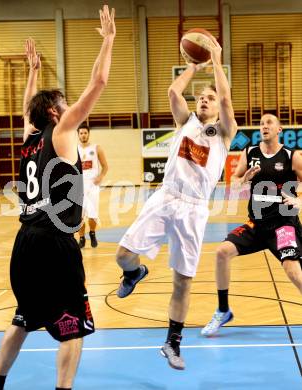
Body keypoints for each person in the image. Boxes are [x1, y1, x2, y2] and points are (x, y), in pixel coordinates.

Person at [0, 6, 115, 390]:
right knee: (73, 326)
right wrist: (108, 40)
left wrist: (33, 73)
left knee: (23, 319)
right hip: (55, 242)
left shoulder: (30, 139)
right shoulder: (62, 133)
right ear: (53, 112)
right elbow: (99, 83)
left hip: (24, 242)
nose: (70, 105)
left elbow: (29, 108)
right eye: (63, 102)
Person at [115, 34, 237, 370]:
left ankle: (172, 343)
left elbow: (226, 100)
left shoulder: (225, 132)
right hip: (166, 197)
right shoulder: (186, 122)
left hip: (195, 209)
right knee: (123, 255)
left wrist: (214, 59)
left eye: (209, 98)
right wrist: (193, 66)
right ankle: (135, 273)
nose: (204, 99)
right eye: (200, 96)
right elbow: (172, 92)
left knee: (182, 280)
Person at [201, 113, 302, 337]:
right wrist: (244, 178)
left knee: (292, 269)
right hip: (256, 224)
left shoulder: (291, 156)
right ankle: (223, 310)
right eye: (261, 123)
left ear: (279, 130)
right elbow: (233, 185)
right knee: (221, 252)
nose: (264, 126)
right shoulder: (249, 153)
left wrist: (299, 199)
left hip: (283, 224)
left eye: (269, 123)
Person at [77, 123, 108, 248]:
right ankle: (82, 237)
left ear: (88, 134)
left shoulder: (96, 148)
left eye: (85, 133)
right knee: (79, 215)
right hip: (78, 186)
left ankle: (93, 233)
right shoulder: (74, 149)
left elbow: (105, 166)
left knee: (93, 214)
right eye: (81, 133)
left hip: (92, 185)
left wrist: (100, 177)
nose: (83, 135)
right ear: (78, 135)